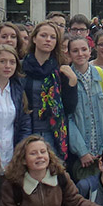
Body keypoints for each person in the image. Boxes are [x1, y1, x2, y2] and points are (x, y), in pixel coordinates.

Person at [22, 20, 78, 160]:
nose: (48, 40)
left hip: (52, 133)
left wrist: (72, 83)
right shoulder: (21, 67)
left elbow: (69, 108)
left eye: (53, 37)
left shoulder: (61, 70)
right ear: (34, 38)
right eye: (43, 35)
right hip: (25, 130)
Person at [66, 34, 103, 181]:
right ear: (69, 54)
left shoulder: (102, 76)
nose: (80, 54)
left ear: (90, 51)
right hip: (80, 156)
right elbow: (66, 119)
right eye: (75, 51)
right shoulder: (65, 79)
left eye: (84, 49)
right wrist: (81, 151)